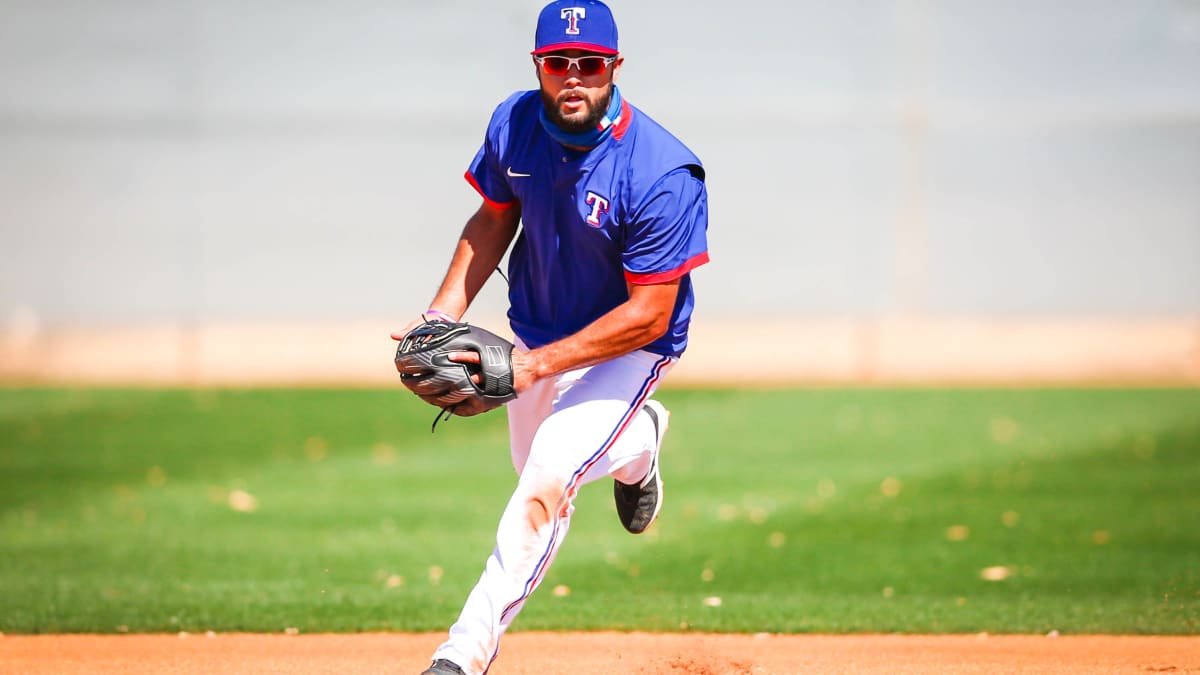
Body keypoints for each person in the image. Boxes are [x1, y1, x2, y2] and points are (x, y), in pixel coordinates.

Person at [394, 2, 710, 673]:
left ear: (614, 68)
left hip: (631, 347)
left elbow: (650, 313)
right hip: (536, 330)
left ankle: (462, 653)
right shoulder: (515, 123)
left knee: (548, 473)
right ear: (538, 67)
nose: (573, 77)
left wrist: (536, 365)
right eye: (557, 63)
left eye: (589, 64)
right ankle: (638, 443)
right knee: (535, 468)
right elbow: (493, 215)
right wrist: (442, 310)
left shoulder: (660, 173)